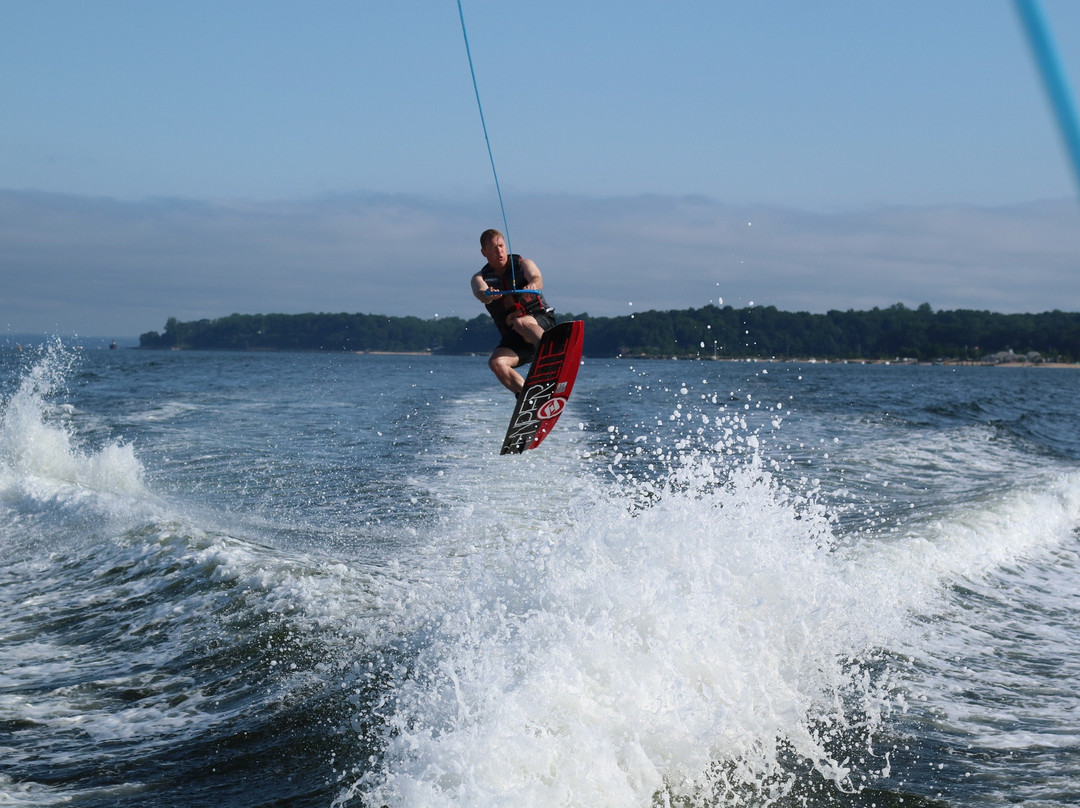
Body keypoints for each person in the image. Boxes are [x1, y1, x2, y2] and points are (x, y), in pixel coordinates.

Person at [470, 229, 557, 394]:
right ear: (484, 252)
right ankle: (528, 397)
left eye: (501, 246)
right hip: (516, 339)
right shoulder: (479, 278)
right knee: (496, 363)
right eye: (493, 248)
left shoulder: (523, 264)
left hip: (540, 323)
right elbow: (480, 292)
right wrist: (488, 294)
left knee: (521, 322)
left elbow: (537, 278)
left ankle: (553, 355)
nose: (499, 251)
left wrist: (533, 284)